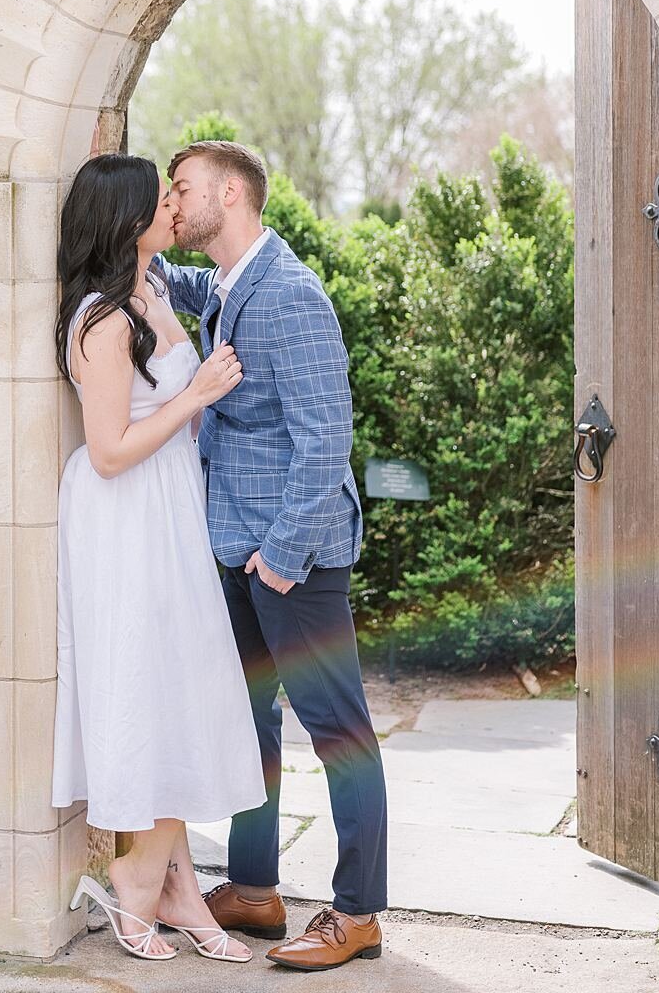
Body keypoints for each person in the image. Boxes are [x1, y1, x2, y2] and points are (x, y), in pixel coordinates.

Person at [150, 139, 389, 972]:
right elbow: (166, 281)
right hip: (237, 549)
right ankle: (252, 886)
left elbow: (328, 441)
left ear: (230, 193)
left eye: (181, 191)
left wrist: (282, 557)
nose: (175, 205)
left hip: (293, 557)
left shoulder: (288, 294)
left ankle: (358, 911)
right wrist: (134, 243)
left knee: (339, 733)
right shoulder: (226, 281)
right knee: (249, 723)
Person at [53, 152, 267, 964]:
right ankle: (140, 885)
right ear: (126, 217)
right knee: (150, 688)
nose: (175, 206)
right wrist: (198, 396)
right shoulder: (102, 320)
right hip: (126, 516)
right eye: (162, 198)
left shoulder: (154, 288)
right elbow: (107, 451)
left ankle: (171, 884)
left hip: (169, 508)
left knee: (182, 687)